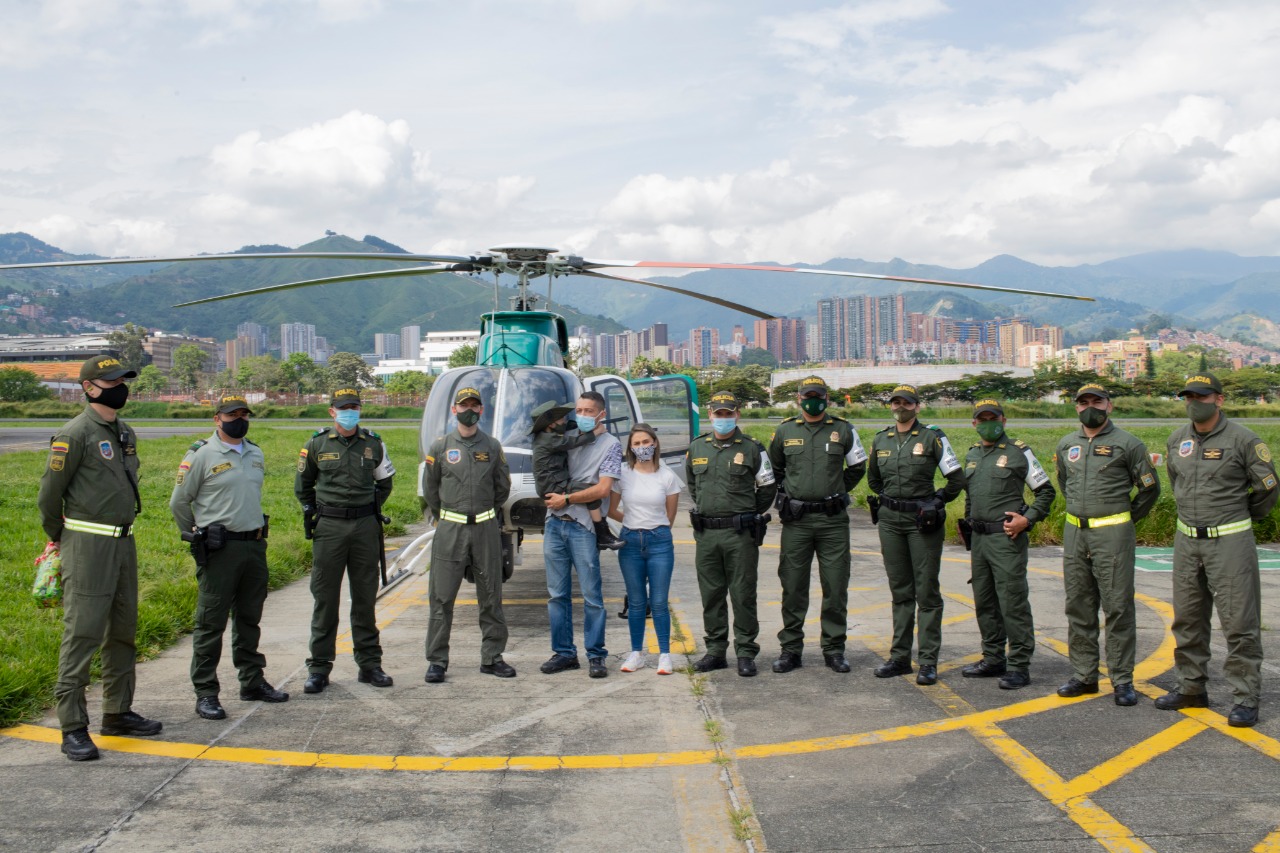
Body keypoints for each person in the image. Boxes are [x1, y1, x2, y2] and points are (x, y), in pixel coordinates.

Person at [37, 354, 161, 761]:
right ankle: (72, 725)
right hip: (87, 545)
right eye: (111, 381)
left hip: (124, 543)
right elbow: (49, 498)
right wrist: (63, 539)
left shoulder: (124, 432)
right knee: (83, 634)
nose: (121, 387)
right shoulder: (75, 434)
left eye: (123, 379)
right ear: (89, 387)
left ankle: (117, 711)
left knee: (123, 631)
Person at [1157, 373, 1278, 727]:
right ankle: (1191, 688)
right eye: (1188, 396)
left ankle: (1245, 697)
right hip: (1186, 540)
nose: (1194, 402)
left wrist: (1238, 515)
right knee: (1188, 619)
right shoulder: (1177, 439)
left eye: (1202, 396)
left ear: (1219, 399)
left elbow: (1267, 488)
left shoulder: (1244, 440)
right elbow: (1175, 480)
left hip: (1230, 541)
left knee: (1239, 623)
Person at [170, 394, 288, 721]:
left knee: (249, 618)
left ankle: (252, 681)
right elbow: (179, 503)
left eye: (243, 414)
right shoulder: (201, 455)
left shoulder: (255, 453)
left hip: (254, 546)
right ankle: (206, 692)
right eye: (231, 414)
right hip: (220, 550)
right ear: (216, 419)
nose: (239, 419)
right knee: (211, 623)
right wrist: (196, 535)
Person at [1053, 383, 1160, 707]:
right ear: (1076, 407)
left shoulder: (1129, 444)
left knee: (1117, 608)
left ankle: (1122, 680)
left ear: (1109, 405)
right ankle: (1084, 675)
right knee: (1079, 606)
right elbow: (1064, 482)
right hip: (1075, 534)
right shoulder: (1066, 444)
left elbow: (1149, 489)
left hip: (1112, 536)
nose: (1090, 407)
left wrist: (1125, 519)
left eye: (1096, 401)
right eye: (1083, 402)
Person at [296, 387, 396, 694]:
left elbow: (385, 482)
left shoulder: (374, 444)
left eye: (354, 406)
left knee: (365, 599)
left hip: (365, 526)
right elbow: (303, 486)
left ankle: (370, 665)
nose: (349, 412)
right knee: (325, 600)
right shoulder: (316, 443)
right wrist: (320, 511)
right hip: (330, 528)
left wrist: (368, 509)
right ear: (332, 411)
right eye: (344, 407)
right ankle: (319, 668)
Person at [767, 375, 867, 674]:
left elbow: (858, 467)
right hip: (796, 521)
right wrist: (788, 496)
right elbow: (774, 469)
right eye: (808, 395)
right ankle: (790, 650)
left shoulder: (843, 430)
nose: (813, 400)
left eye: (818, 395)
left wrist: (837, 489)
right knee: (793, 587)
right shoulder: (784, 431)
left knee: (835, 586)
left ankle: (834, 649)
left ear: (826, 398)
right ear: (799, 399)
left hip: (832, 520)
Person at [866, 384, 964, 684]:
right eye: (896, 402)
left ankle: (928, 661)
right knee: (900, 591)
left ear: (917, 407)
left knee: (927, 592)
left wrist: (937, 501)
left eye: (907, 403)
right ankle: (899, 657)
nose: (901, 407)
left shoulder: (933, 437)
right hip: (890, 521)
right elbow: (873, 480)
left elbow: (956, 477)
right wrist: (892, 501)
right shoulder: (882, 438)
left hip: (922, 522)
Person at [959, 400, 1056, 690]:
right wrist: (967, 523)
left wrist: (1027, 520)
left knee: (1012, 602)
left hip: (1006, 539)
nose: (988, 423)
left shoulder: (1019, 452)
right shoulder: (973, 454)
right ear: (974, 423)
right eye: (982, 419)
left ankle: (1019, 665)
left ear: (1004, 420)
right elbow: (970, 496)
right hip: (979, 539)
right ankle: (992, 658)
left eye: (993, 418)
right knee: (984, 601)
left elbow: (1045, 492)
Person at [422, 386, 513, 683]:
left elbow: (502, 489)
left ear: (481, 410)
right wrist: (449, 515)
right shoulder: (440, 447)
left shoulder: (493, 446)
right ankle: (437, 661)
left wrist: (484, 512)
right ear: (454, 410)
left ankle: (492, 657)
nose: (469, 410)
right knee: (441, 596)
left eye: (474, 405)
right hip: (450, 529)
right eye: (464, 406)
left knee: (491, 596)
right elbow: (431, 491)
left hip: (485, 529)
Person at [685, 392, 777, 677]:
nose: (722, 418)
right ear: (709, 415)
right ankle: (715, 651)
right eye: (717, 413)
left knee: (742, 594)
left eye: (728, 413)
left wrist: (746, 513)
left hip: (740, 534)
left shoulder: (753, 448)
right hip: (707, 535)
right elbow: (692, 485)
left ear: (737, 414)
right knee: (711, 594)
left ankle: (746, 652)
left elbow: (768, 487)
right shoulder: (697, 448)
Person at [541, 390, 622, 678]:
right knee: (557, 594)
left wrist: (567, 499)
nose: (583, 416)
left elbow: (602, 489)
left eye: (589, 411)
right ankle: (564, 653)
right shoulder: (568, 436)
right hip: (554, 522)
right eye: (579, 410)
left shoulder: (611, 445)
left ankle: (596, 654)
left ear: (601, 414)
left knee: (592, 595)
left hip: (583, 526)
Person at [609, 423, 683, 675]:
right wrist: (632, 522)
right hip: (630, 542)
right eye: (637, 443)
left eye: (646, 442)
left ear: (655, 444)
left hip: (659, 542)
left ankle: (664, 654)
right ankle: (636, 653)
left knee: (659, 601)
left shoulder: (667, 476)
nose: (642, 447)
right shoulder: (622, 474)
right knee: (637, 602)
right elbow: (610, 509)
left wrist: (653, 527)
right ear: (630, 447)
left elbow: (670, 516)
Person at [530, 400, 622, 550]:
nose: (566, 421)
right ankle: (602, 533)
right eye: (562, 419)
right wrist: (595, 432)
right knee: (589, 492)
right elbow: (572, 442)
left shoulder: (548, 435)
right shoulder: (548, 439)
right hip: (553, 485)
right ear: (551, 425)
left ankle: (602, 532)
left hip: (552, 482)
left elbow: (570, 428)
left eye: (588, 411)